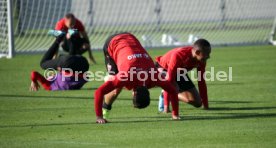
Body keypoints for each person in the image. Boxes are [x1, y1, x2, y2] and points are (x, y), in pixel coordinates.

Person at [94, 32, 180, 124]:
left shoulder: (155, 77)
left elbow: (173, 90)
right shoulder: (126, 76)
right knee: (115, 89)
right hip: (113, 43)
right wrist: (98, 116)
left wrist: (175, 114)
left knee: (118, 84)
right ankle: (104, 112)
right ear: (134, 93)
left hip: (131, 38)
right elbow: (98, 92)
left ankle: (111, 87)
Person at [156, 39, 211, 112]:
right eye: (206, 54)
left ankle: (171, 94)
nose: (208, 56)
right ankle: (165, 95)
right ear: (197, 52)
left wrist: (205, 105)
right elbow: (169, 81)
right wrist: (166, 108)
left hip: (179, 72)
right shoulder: (179, 55)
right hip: (162, 69)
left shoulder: (201, 60)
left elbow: (201, 81)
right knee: (172, 85)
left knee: (197, 103)